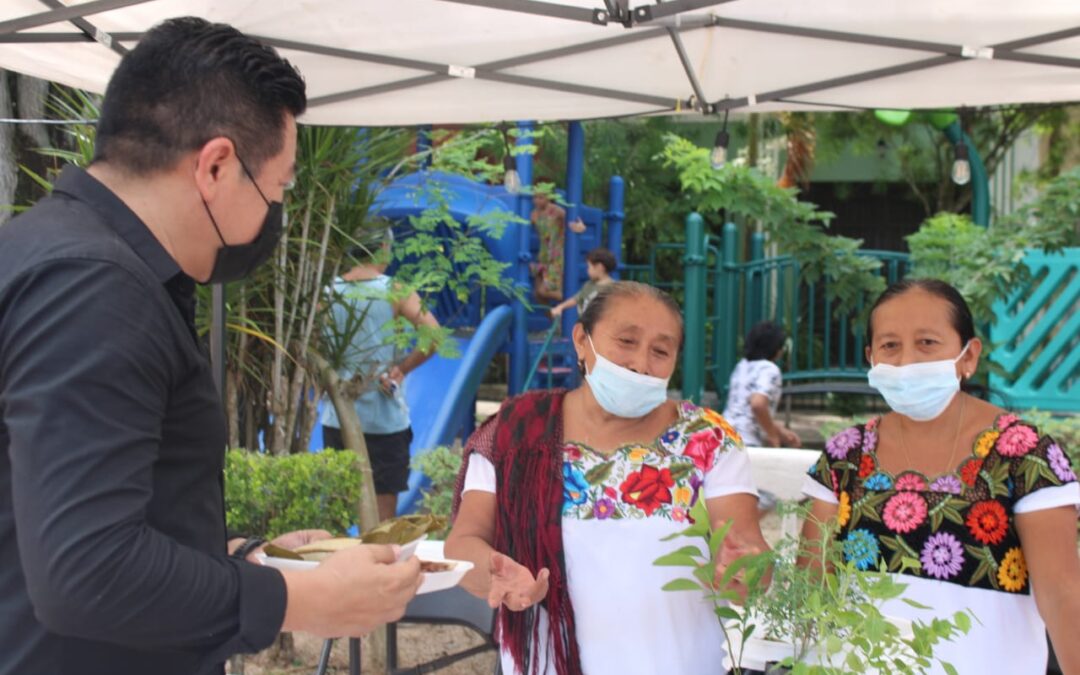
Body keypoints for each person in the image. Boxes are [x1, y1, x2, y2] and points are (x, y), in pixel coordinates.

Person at [0, 18, 420, 675]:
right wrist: (300, 599)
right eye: (278, 188)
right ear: (216, 165)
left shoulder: (45, 248)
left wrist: (238, 559)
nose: (275, 212)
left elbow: (55, 521)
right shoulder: (96, 287)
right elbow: (86, 569)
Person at [445, 281, 769, 675]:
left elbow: (749, 552)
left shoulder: (708, 439)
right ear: (582, 340)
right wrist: (497, 574)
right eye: (626, 341)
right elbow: (463, 544)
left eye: (660, 351)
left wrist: (745, 570)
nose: (640, 364)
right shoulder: (515, 434)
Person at [801, 279, 1080, 674]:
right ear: (871, 358)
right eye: (890, 345)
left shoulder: (1024, 455)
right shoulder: (844, 456)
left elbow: (1063, 595)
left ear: (969, 356)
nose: (906, 361)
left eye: (927, 343)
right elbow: (812, 587)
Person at [321, 226, 440, 521]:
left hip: (338, 416)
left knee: (338, 514)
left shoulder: (328, 291)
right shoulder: (394, 290)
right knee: (383, 522)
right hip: (384, 420)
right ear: (384, 248)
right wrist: (402, 369)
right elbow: (434, 335)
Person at [722, 320, 801, 448]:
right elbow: (758, 405)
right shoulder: (770, 370)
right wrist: (773, 436)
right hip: (746, 443)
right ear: (776, 349)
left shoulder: (741, 366)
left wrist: (780, 432)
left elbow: (744, 413)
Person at [530, 187, 585, 305]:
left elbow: (573, 222)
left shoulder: (557, 211)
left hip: (556, 254)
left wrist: (580, 227)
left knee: (544, 291)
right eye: (534, 197)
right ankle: (552, 315)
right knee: (537, 294)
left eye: (541, 197)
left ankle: (575, 300)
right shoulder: (534, 214)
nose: (537, 200)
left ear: (549, 197)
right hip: (543, 254)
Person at [549, 247, 616, 318]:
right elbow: (576, 299)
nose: (587, 270)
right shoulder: (588, 285)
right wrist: (560, 307)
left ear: (599, 267)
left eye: (589, 267)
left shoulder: (613, 289)